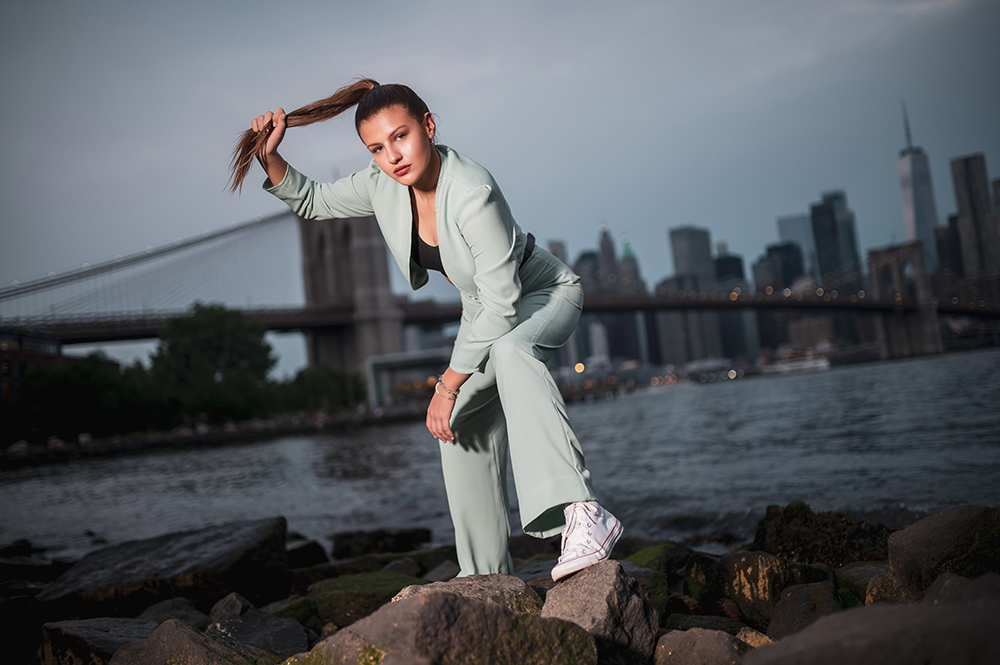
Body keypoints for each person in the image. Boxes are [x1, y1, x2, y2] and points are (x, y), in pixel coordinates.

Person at [231, 79, 622, 580]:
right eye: (376, 148)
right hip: (482, 313)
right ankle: (483, 573)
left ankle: (584, 512)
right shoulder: (383, 184)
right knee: (457, 424)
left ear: (428, 126)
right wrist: (269, 157)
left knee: (510, 354)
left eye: (400, 136)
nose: (392, 156)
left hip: (543, 293)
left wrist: (446, 384)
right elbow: (313, 200)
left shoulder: (473, 191)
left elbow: (504, 304)